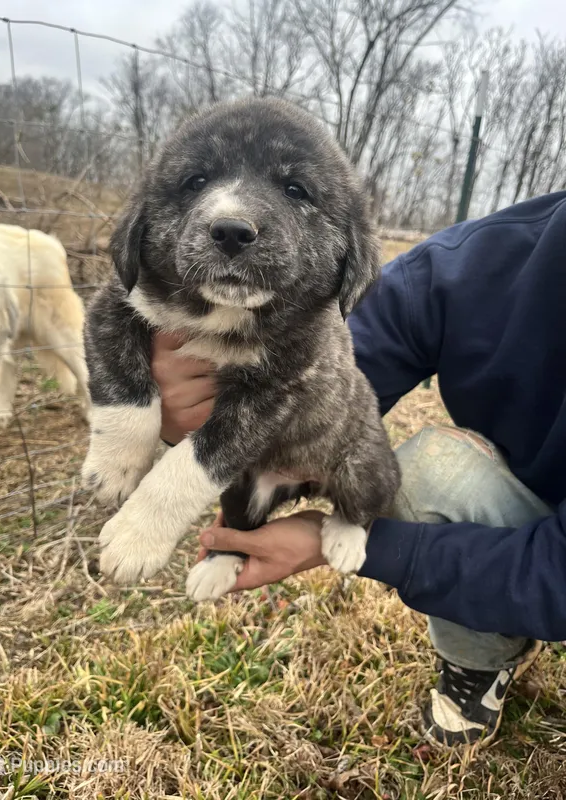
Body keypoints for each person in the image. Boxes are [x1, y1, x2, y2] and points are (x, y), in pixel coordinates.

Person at [150, 192, 566, 747]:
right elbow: (337, 363)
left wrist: (357, 544)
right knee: (430, 471)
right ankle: (485, 658)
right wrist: (213, 412)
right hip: (534, 510)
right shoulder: (476, 262)